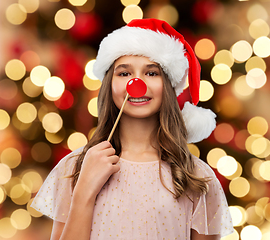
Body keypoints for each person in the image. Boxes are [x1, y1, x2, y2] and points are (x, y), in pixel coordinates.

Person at [31, 18, 234, 240]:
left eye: (152, 73)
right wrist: (83, 192)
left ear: (168, 85)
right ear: (110, 83)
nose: (136, 83)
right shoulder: (75, 167)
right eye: (125, 73)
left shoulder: (195, 175)